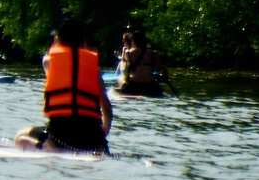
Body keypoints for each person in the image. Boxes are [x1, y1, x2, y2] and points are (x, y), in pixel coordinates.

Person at [23, 18, 109, 150]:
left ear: (59, 39)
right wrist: (104, 130)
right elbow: (107, 108)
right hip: (92, 135)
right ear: (82, 40)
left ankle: (50, 147)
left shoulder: (49, 61)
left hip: (60, 134)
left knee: (20, 137)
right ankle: (98, 146)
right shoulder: (94, 68)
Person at [118, 26, 166, 97]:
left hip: (134, 85)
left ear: (133, 41)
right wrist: (162, 77)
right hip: (149, 86)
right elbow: (162, 70)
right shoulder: (152, 54)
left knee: (120, 78)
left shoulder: (128, 53)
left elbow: (125, 71)